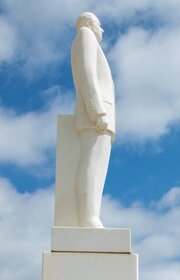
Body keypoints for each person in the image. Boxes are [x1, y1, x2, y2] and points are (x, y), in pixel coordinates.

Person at [71, 12, 116, 227]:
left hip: (101, 114)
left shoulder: (88, 38)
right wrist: (97, 111)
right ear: (90, 23)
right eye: (100, 24)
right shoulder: (85, 34)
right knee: (92, 162)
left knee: (99, 166)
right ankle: (88, 218)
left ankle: (92, 216)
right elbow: (85, 72)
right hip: (96, 114)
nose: (102, 30)